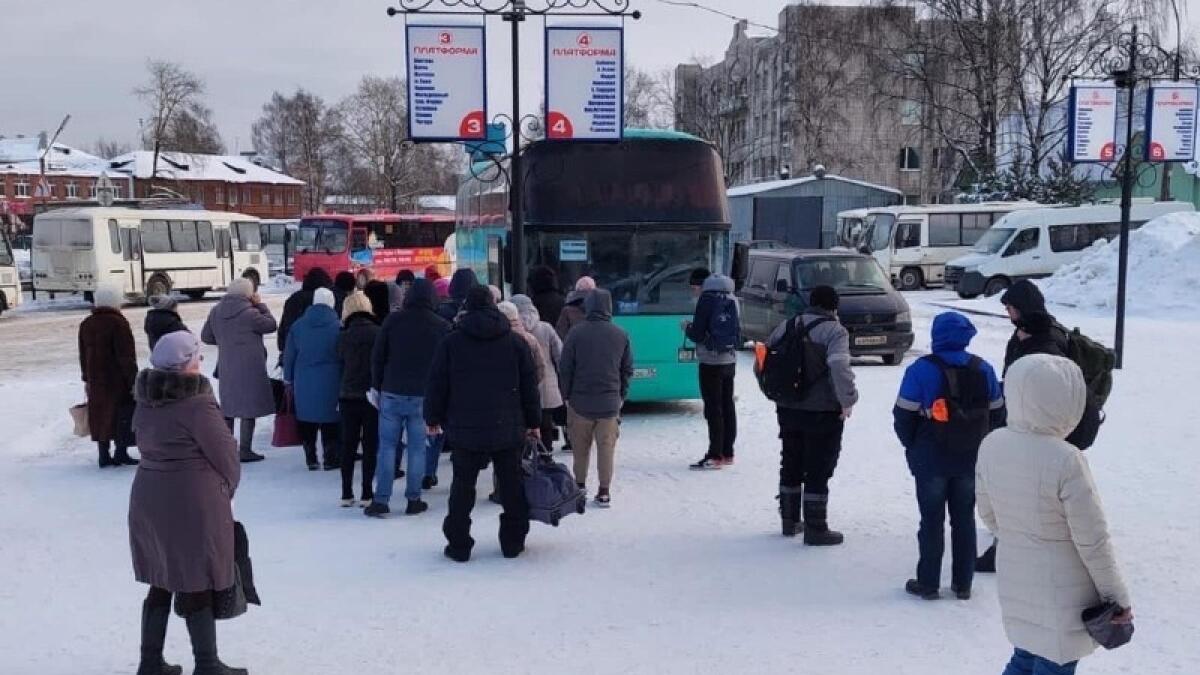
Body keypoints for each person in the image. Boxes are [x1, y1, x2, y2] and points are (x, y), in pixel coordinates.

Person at [976, 354, 1132, 675]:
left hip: (1016, 578)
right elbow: (1093, 540)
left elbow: (989, 514)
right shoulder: (1065, 459)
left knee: (1024, 657)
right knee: (1052, 663)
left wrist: (1022, 539)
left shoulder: (992, 444)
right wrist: (1116, 597)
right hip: (1064, 594)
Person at [128, 331, 247, 675]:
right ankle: (207, 664)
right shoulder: (197, 402)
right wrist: (227, 489)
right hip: (192, 500)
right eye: (196, 355)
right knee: (196, 576)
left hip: (150, 497)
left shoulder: (146, 398)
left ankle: (150, 662)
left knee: (162, 576)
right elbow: (226, 455)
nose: (201, 360)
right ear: (184, 363)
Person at [977, 279, 1105, 572]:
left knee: (1024, 489)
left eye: (1010, 307)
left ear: (1022, 309)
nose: (1007, 312)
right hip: (1037, 422)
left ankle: (1006, 548)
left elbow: (1048, 388)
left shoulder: (1045, 343)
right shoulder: (1030, 332)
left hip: (1044, 427)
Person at [893, 312, 1005, 600]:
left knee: (931, 521)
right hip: (971, 458)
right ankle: (963, 584)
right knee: (964, 519)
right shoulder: (984, 369)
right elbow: (998, 415)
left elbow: (903, 415)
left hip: (931, 457)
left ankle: (928, 583)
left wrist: (913, 446)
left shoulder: (921, 370)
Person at [425, 285, 541, 561]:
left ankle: (459, 544)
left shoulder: (452, 342)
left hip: (465, 427)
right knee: (511, 486)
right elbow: (529, 387)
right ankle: (512, 542)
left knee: (462, 487)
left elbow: (437, 384)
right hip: (508, 425)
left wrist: (433, 418)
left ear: (467, 307)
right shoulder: (515, 342)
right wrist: (534, 422)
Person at [766, 285, 857, 546]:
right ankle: (816, 528)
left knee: (791, 460)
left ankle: (789, 520)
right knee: (819, 466)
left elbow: (765, 358)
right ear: (834, 307)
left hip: (788, 406)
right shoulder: (835, 331)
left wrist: (775, 393)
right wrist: (847, 399)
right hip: (822, 409)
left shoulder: (788, 326)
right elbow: (839, 366)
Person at [366, 278, 450, 517]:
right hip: (423, 397)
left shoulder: (393, 321)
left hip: (391, 392)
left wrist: (376, 386)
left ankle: (381, 499)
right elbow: (444, 366)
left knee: (387, 448)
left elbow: (378, 356)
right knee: (417, 449)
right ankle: (414, 499)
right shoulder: (441, 325)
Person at [559, 289, 633, 508]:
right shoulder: (620, 334)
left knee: (580, 449)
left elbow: (565, 368)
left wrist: (567, 395)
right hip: (609, 404)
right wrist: (621, 395)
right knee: (606, 448)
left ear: (588, 307)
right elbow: (626, 369)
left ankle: (579, 486)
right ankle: (603, 492)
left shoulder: (575, 333)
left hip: (580, 402)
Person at [200, 278, 277, 463]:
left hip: (226, 365)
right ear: (248, 294)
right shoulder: (250, 313)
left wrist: (225, 341)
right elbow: (271, 325)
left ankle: (226, 449)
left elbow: (206, 336)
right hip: (250, 366)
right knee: (248, 409)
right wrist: (261, 305)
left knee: (229, 408)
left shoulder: (217, 311)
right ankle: (245, 450)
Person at [79, 285, 139, 468]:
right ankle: (121, 452)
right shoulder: (118, 323)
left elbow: (82, 353)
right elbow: (126, 355)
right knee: (122, 414)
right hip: (117, 379)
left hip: (96, 379)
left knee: (99, 415)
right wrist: (133, 379)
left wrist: (86, 378)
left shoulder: (87, 323)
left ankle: (103, 455)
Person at [283, 287, 342, 471]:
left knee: (307, 418)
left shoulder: (298, 326)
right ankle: (331, 457)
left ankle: (311, 457)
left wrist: (288, 378)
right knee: (331, 419)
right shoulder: (338, 326)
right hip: (332, 379)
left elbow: (289, 355)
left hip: (304, 379)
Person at [685, 273, 740, 470]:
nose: (694, 293)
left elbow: (698, 333)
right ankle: (727, 452)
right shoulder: (732, 297)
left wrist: (687, 328)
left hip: (710, 362)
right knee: (727, 405)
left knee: (713, 408)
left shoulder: (706, 300)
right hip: (730, 360)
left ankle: (714, 455)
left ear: (702, 285)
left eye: (694, 288)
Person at [337, 292, 380, 507]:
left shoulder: (343, 335)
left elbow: (339, 361)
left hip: (347, 394)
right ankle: (366, 492)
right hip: (371, 396)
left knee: (348, 444)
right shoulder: (378, 333)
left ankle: (346, 492)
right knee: (370, 445)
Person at [512, 294, 564, 450]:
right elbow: (560, 355)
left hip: (521, 383)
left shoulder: (511, 330)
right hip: (547, 383)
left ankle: (526, 455)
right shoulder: (546, 327)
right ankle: (545, 454)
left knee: (524, 422)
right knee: (546, 423)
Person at [278, 267, 332, 355]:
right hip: (316, 351)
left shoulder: (293, 299)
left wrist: (283, 347)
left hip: (292, 349)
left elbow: (284, 326)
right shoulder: (324, 300)